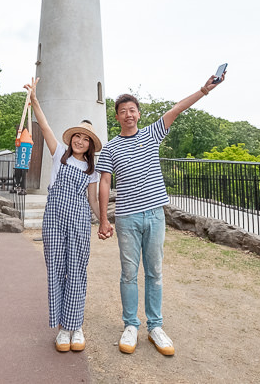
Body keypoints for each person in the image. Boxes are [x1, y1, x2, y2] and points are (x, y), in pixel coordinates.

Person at [95, 71, 226, 356]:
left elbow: (177, 108)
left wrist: (204, 90)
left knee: (154, 272)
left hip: (154, 214)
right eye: (122, 111)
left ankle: (155, 326)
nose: (128, 114)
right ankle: (131, 325)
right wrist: (104, 218)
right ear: (116, 117)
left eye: (132, 110)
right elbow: (104, 181)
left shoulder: (153, 133)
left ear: (139, 114)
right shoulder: (110, 149)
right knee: (129, 273)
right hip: (127, 217)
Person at [25, 78, 108, 353]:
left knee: (77, 271)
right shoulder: (59, 153)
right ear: (71, 139)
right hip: (54, 220)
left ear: (91, 145)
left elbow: (93, 198)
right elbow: (45, 126)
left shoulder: (92, 170)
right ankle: (62, 328)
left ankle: (76, 325)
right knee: (56, 269)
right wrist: (35, 100)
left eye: (86, 139)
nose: (80, 141)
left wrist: (104, 221)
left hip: (80, 221)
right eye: (77, 137)